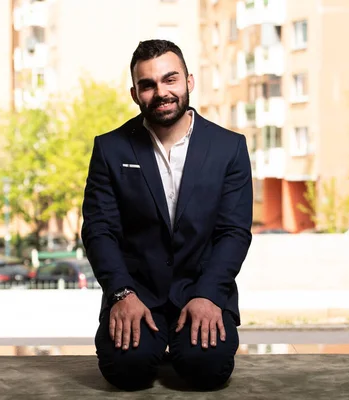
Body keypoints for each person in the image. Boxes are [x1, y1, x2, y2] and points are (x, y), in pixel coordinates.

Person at [81, 39, 253, 391]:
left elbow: (233, 232)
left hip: (201, 290)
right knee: (125, 371)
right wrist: (120, 294)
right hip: (137, 292)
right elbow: (99, 230)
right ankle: (152, 345)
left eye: (170, 79)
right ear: (135, 93)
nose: (161, 92)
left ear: (189, 82)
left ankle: (184, 344)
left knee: (207, 369)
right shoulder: (110, 148)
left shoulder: (229, 148)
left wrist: (209, 294)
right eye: (148, 85)